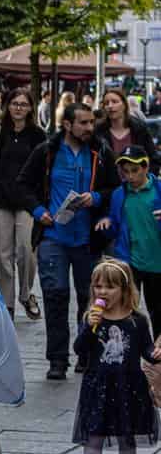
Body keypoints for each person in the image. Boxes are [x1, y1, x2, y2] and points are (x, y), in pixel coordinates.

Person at [20, 102, 119, 381]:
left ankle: (85, 354)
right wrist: (38, 211)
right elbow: (22, 185)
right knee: (55, 297)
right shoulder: (47, 151)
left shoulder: (100, 152)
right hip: (53, 237)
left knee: (90, 299)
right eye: (83, 123)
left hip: (87, 239)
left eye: (91, 123)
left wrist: (96, 198)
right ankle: (57, 360)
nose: (89, 128)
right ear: (67, 125)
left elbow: (115, 188)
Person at [71, 259, 155, 454]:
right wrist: (89, 327)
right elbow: (80, 349)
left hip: (129, 386)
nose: (103, 292)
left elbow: (146, 350)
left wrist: (156, 355)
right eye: (98, 286)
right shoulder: (91, 318)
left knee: (126, 435)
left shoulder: (137, 321)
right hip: (97, 385)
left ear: (124, 290)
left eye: (110, 287)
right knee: (93, 434)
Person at [0, 88, 44, 319]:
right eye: (14, 103)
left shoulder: (38, 135)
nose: (18, 108)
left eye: (23, 104)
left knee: (26, 250)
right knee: (2, 254)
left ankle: (26, 294)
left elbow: (44, 169)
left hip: (28, 201)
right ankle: (6, 302)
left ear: (30, 108)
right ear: (7, 106)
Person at [96, 146, 161, 312]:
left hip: (157, 263)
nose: (130, 176)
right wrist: (107, 224)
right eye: (125, 171)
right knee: (127, 312)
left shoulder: (159, 190)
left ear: (146, 167)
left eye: (135, 170)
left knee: (158, 315)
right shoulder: (119, 194)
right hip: (130, 263)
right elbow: (115, 228)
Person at [96, 88, 156, 165]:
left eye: (114, 102)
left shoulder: (139, 128)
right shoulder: (99, 131)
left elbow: (152, 157)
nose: (110, 106)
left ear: (124, 104)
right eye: (106, 103)